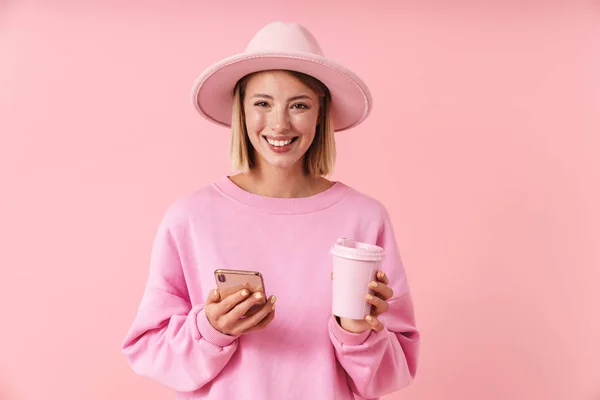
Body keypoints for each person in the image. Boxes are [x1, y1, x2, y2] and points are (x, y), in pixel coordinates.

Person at [121, 21, 419, 400]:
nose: (279, 124)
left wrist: (357, 331)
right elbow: (148, 349)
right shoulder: (190, 219)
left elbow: (393, 372)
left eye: (299, 105)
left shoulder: (365, 220)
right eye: (262, 103)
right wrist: (211, 330)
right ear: (241, 111)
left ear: (320, 113)